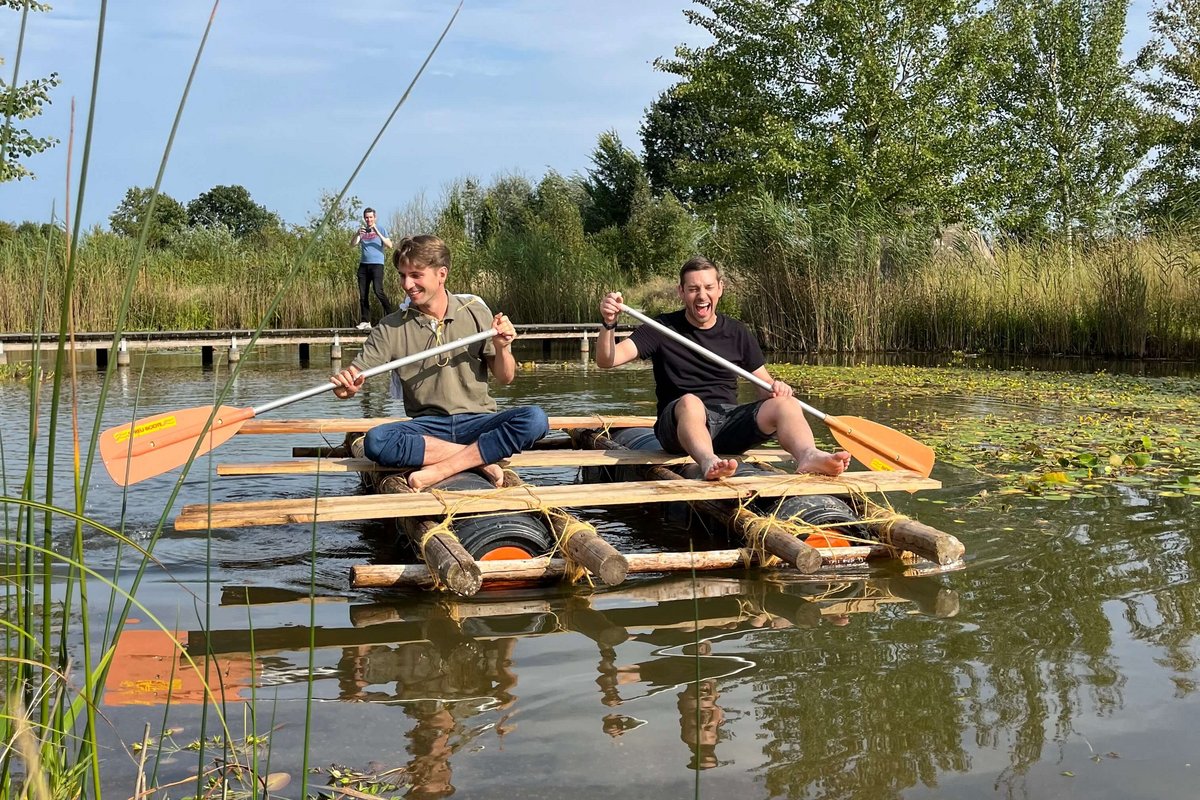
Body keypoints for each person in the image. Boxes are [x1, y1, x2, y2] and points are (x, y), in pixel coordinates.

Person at [596, 256, 850, 481]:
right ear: (681, 292)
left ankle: (808, 455)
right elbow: (608, 360)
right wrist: (609, 324)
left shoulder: (737, 332)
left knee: (786, 405)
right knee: (690, 402)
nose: (701, 295)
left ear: (720, 290)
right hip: (678, 426)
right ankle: (708, 461)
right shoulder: (661, 327)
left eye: (708, 287)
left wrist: (778, 390)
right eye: (693, 289)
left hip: (726, 421)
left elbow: (764, 386)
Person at [330, 234, 549, 491]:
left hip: (478, 422)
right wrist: (344, 386)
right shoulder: (391, 327)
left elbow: (506, 377)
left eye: (416, 275)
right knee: (377, 441)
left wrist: (503, 347)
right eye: (402, 275)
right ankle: (478, 461)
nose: (407, 284)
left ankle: (446, 467)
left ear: (441, 274)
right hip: (428, 428)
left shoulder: (475, 311)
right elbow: (354, 374)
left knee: (536, 419)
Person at [349, 207, 394, 329]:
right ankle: (365, 321)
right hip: (364, 266)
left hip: (377, 265)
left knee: (378, 290)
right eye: (366, 217)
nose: (368, 219)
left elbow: (389, 245)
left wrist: (377, 232)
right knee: (363, 294)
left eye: (370, 217)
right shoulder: (362, 231)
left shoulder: (381, 229)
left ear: (375, 217)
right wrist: (358, 233)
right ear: (364, 218)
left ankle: (392, 315)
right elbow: (352, 244)